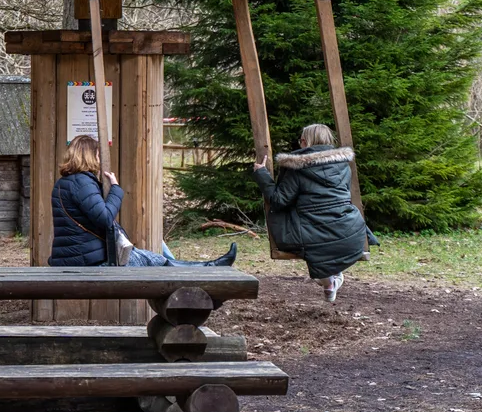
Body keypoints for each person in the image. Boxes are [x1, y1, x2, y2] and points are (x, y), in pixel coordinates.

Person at [48, 135, 237, 267]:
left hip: (77, 257)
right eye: (98, 154)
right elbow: (105, 218)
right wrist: (115, 189)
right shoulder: (82, 182)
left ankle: (209, 266)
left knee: (158, 260)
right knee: (157, 262)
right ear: (90, 155)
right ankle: (210, 269)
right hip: (88, 261)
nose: (100, 158)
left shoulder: (65, 182)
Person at [251, 123, 371, 302]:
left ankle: (329, 282)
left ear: (305, 142)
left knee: (315, 245)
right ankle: (330, 281)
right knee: (327, 244)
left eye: (300, 141)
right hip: (351, 232)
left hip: (313, 238)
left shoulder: (297, 168)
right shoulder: (343, 166)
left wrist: (261, 175)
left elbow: (279, 200)